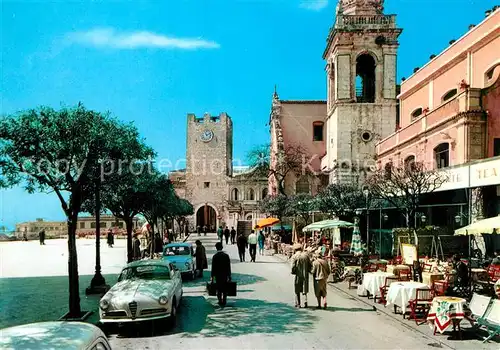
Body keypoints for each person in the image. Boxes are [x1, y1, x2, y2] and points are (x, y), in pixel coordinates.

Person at [291, 244, 312, 308]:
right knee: (304, 288)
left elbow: (293, 266)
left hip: (298, 274)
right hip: (305, 274)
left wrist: (293, 271)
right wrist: (308, 270)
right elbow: (310, 265)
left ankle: (298, 303)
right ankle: (305, 302)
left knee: (297, 288)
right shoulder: (306, 255)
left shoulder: (295, 256)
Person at [211, 242, 231, 306]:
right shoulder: (226, 256)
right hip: (225, 274)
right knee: (225, 288)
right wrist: (229, 275)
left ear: (216, 248)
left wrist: (212, 276)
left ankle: (220, 300)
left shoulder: (215, 256)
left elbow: (213, 267)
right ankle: (224, 300)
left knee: (218, 288)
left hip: (217, 275)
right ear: (222, 247)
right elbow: (228, 266)